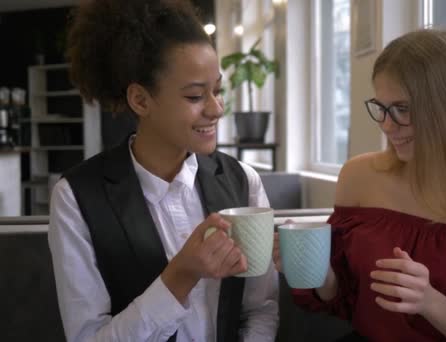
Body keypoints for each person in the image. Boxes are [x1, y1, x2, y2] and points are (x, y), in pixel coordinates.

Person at [273, 29, 446, 341]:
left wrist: (430, 302)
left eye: (402, 109)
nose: (387, 126)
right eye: (383, 108)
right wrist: (316, 267)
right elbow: (342, 299)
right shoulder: (359, 177)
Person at [47, 1, 278, 341]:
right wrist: (180, 276)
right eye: (195, 96)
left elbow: (260, 308)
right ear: (140, 100)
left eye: (217, 90)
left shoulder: (243, 182)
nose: (216, 109)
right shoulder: (76, 199)